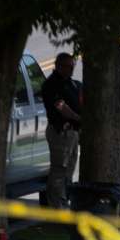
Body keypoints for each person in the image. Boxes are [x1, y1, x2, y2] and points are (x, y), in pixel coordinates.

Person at [40, 52, 82, 209]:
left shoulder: (71, 83)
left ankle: (64, 201)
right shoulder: (51, 84)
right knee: (59, 169)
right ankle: (56, 206)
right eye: (67, 66)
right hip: (60, 132)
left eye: (72, 66)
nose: (71, 69)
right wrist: (79, 118)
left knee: (69, 170)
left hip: (73, 132)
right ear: (58, 66)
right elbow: (61, 107)